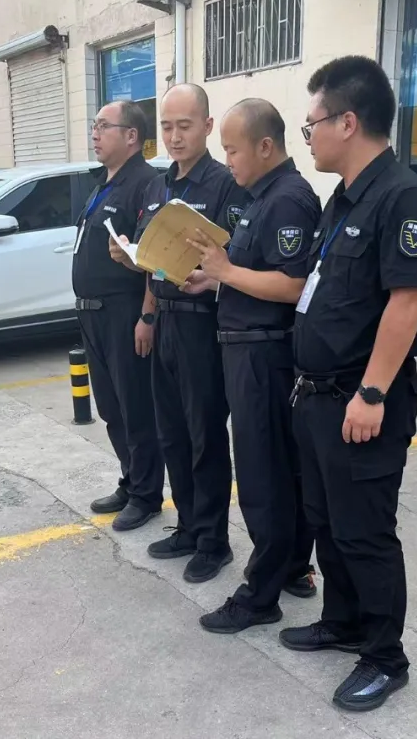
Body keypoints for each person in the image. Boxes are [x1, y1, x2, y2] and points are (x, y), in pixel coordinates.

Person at [280, 56, 417, 712]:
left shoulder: (404, 199)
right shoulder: (344, 199)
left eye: (311, 124)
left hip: (361, 400)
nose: (309, 137)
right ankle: (343, 621)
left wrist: (373, 393)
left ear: (347, 122)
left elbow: (407, 302)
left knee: (365, 532)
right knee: (327, 522)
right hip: (317, 398)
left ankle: (384, 657)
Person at [185, 98, 320, 633]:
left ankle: (260, 595)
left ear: (265, 146)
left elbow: (293, 285)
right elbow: (254, 274)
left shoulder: (287, 200)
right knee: (279, 470)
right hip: (247, 347)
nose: (229, 161)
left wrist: (224, 270)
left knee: (264, 476)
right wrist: (215, 279)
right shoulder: (262, 197)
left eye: (233, 150)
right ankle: (291, 567)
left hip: (264, 355)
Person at [109, 83, 247, 583]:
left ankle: (214, 541)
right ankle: (188, 525)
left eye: (184, 126)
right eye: (166, 127)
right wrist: (138, 282)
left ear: (207, 126)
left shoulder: (224, 185)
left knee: (204, 433)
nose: (174, 136)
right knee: (171, 432)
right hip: (164, 317)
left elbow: (234, 258)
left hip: (201, 323)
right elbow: (155, 261)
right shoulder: (157, 186)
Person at [77, 100, 166, 531]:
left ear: (131, 136)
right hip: (93, 315)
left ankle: (147, 494)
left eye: (103, 126)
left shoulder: (146, 184)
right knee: (111, 407)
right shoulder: (103, 184)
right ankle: (130, 481)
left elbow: (153, 257)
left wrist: (147, 315)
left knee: (135, 408)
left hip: (124, 312)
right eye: (94, 126)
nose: (94, 134)